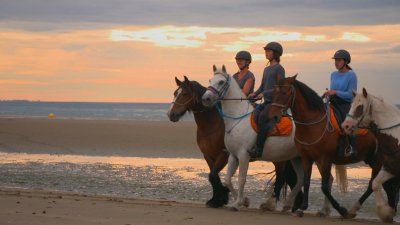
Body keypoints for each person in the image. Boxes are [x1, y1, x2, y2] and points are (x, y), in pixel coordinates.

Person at [248, 42, 285, 158]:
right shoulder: (266, 69)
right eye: (266, 51)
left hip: (274, 103)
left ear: (276, 54)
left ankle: (259, 149)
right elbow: (262, 86)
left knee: (263, 117)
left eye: (269, 51)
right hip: (266, 102)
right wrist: (255, 93)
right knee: (254, 114)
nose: (266, 53)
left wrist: (264, 93)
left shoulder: (279, 69)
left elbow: (279, 88)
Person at [322, 49, 357, 156]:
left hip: (345, 104)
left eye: (339, 60)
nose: (336, 62)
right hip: (332, 103)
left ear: (346, 62)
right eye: (335, 60)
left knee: (346, 124)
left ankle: (351, 146)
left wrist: (335, 92)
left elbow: (351, 95)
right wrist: (327, 94)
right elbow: (333, 91)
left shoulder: (351, 75)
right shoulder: (333, 74)